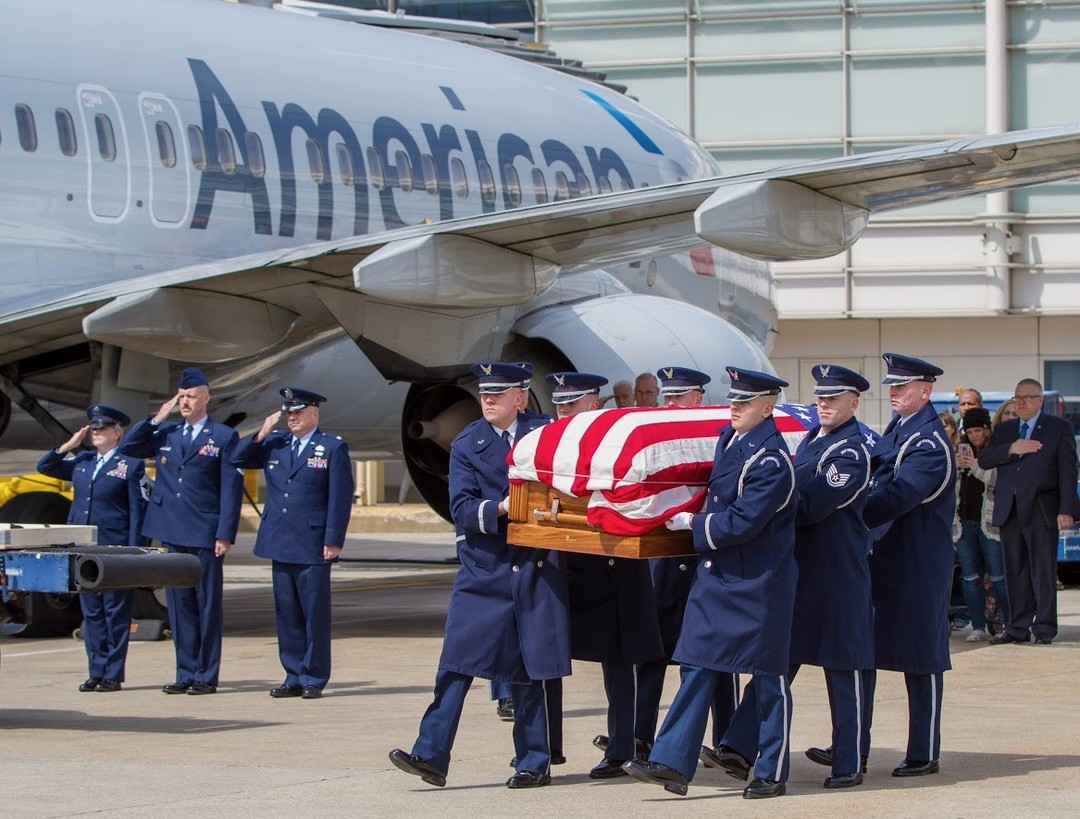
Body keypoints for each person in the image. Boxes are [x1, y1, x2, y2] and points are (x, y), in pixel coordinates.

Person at [390, 362, 570, 790]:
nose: (487, 399)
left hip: (533, 566)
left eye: (498, 393)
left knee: (527, 670)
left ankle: (533, 762)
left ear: (520, 398)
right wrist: (503, 510)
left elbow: (569, 484)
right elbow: (463, 508)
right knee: (455, 663)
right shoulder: (468, 442)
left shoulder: (545, 436)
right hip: (485, 569)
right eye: (485, 393)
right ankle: (430, 754)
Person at [625, 367, 796, 799]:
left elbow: (742, 522)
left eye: (746, 402)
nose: (735, 406)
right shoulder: (729, 439)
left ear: (768, 407)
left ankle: (771, 771)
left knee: (768, 678)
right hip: (719, 579)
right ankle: (671, 762)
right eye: (734, 399)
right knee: (697, 664)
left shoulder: (771, 460)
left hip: (757, 583)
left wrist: (692, 523)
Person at [714, 365, 873, 790]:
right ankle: (739, 746)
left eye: (834, 399)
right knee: (774, 664)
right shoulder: (808, 444)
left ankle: (848, 761)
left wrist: (765, 504)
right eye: (820, 398)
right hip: (801, 575)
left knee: (843, 670)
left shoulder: (851, 452)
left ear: (853, 404)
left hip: (837, 579)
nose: (824, 404)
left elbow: (810, 506)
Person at [546, 372, 664, 779]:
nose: (563, 409)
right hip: (568, 563)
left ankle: (621, 747)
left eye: (572, 403)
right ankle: (544, 748)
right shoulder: (546, 440)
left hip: (614, 562)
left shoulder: (616, 437)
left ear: (592, 404)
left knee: (619, 663)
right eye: (559, 403)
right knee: (547, 660)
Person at [628, 367, 739, 765]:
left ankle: (726, 741)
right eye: (667, 397)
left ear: (699, 399)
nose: (671, 404)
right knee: (653, 654)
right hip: (664, 559)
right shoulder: (656, 434)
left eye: (680, 397)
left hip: (700, 560)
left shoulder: (718, 436)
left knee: (715, 657)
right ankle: (640, 738)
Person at [120, 367, 244, 695]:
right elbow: (129, 449)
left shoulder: (222, 437)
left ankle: (205, 675)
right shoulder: (166, 434)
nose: (185, 402)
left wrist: (225, 533)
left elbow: (231, 489)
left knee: (205, 605)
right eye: (181, 397)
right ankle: (185, 672)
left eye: (191, 397)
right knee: (179, 606)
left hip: (204, 531)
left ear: (206, 399)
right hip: (172, 530)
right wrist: (157, 418)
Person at [861, 353, 955, 777]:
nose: (894, 393)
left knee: (921, 659)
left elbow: (896, 496)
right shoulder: (900, 429)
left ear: (925, 390)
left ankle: (924, 750)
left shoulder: (929, 444)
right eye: (891, 387)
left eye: (901, 387)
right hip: (884, 559)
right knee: (862, 653)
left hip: (917, 566)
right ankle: (852, 744)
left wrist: (846, 513)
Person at [231, 387, 354, 699]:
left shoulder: (331, 448)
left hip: (312, 542)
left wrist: (333, 539)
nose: (293, 417)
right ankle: (293, 674)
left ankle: (314, 677)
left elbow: (339, 499)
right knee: (286, 613)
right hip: (280, 539)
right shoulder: (276, 444)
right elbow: (237, 457)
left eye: (298, 412)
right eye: (289, 413)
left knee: (313, 614)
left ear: (314, 413)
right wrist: (262, 432)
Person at [37, 405, 148, 693]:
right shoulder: (83, 462)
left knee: (115, 611)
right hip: (84, 547)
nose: (96, 433)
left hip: (115, 548)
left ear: (116, 433)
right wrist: (69, 445)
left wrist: (136, 550)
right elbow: (46, 466)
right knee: (92, 612)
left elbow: (138, 510)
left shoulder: (129, 465)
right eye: (93, 429)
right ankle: (96, 671)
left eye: (102, 429)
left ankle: (113, 673)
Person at [979, 378, 1078, 646]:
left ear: (1040, 400)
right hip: (1009, 510)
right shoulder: (1006, 430)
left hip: (1041, 509)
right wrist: (1012, 448)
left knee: (1042, 571)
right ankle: (1017, 626)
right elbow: (985, 459)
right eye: (1017, 397)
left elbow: (1069, 471)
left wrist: (1067, 509)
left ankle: (1044, 626)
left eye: (1027, 397)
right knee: (1014, 570)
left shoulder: (1058, 428)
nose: (1020, 402)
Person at [953, 407, 1010, 642]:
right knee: (970, 577)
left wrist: (975, 466)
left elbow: (998, 482)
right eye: (970, 431)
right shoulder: (960, 450)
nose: (975, 435)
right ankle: (977, 625)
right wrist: (957, 468)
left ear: (987, 430)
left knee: (998, 576)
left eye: (979, 430)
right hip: (964, 523)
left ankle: (1010, 622)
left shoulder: (994, 451)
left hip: (988, 523)